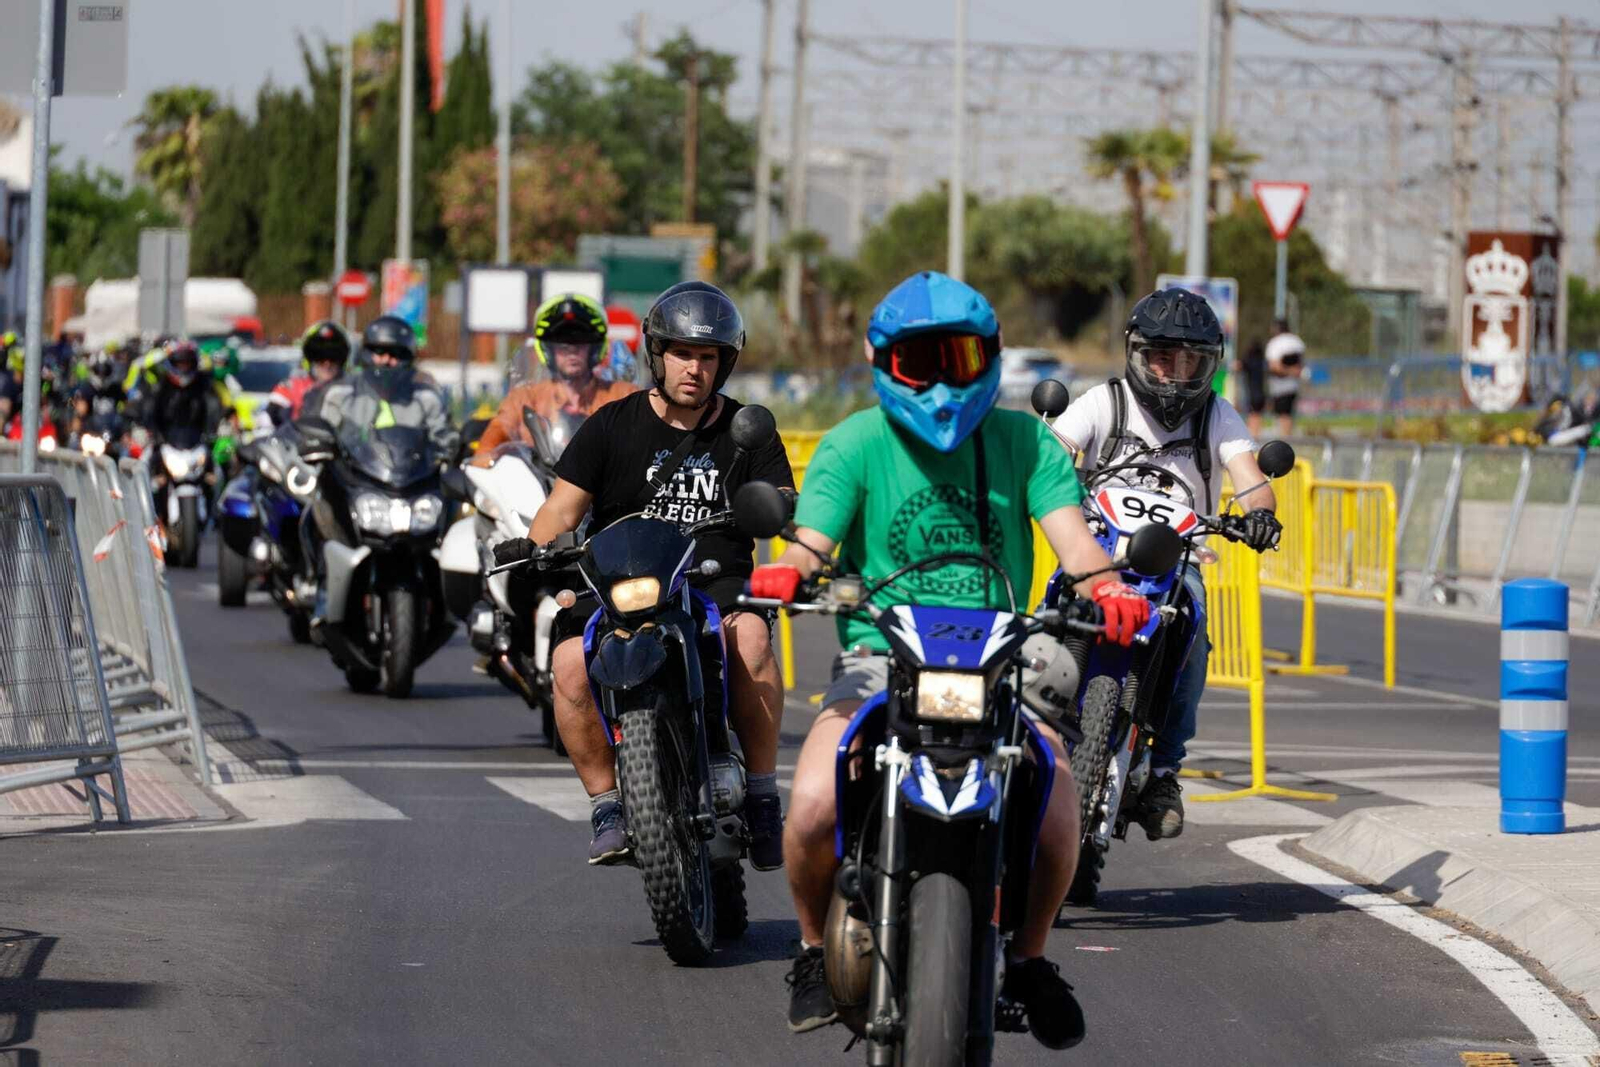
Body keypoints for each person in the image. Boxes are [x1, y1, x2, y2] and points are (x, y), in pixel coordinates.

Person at [749, 270, 1151, 1046]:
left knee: (1060, 807)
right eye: (918, 361)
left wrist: (1109, 587)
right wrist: (787, 569)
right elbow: (811, 539)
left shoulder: (1026, 441)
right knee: (808, 809)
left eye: (958, 359)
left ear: (991, 358)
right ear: (881, 361)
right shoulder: (854, 442)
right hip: (880, 660)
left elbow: (1074, 540)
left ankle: (1029, 956)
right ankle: (807, 949)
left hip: (1002, 660)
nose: (938, 381)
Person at [515, 281, 793, 870]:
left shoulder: (750, 431)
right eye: (683, 354)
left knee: (751, 639)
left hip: (713, 581)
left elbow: (785, 504)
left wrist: (780, 509)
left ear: (725, 363)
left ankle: (765, 796)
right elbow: (560, 511)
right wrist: (534, 550)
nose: (694, 368)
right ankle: (608, 804)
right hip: (624, 582)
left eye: (708, 356)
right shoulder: (612, 425)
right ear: (657, 355)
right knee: (566, 662)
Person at [1052, 287, 1283, 841]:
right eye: (1163, 357)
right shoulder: (1101, 402)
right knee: (1048, 613)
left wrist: (1259, 514)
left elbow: (1252, 480)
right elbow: (1055, 453)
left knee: (1196, 629)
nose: (1176, 373)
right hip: (1096, 553)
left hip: (1177, 564)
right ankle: (1024, 727)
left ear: (1211, 365)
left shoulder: (1217, 417)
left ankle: (1163, 773)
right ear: (1135, 353)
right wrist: (1051, 480)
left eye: (1192, 361)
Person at [471, 293, 637, 465]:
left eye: (580, 340)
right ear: (548, 349)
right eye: (562, 342)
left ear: (595, 346)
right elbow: (494, 436)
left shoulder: (623, 395)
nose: (572, 349)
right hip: (537, 488)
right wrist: (487, 460)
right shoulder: (525, 398)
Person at [140, 341, 225, 448]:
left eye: (187, 364)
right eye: (179, 364)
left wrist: (220, 428)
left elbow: (215, 408)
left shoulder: (204, 385)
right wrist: (147, 431)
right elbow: (147, 409)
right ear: (171, 363)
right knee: (142, 461)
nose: (183, 368)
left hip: (199, 444)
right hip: (163, 443)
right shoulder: (161, 385)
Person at [268, 320, 352, 425]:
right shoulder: (289, 388)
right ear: (308, 358)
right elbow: (267, 425)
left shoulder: (354, 390)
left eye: (334, 355)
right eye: (319, 356)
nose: (327, 363)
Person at [1264, 317, 1305, 436]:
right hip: (1293, 383)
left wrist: (1287, 371)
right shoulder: (1297, 341)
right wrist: (1293, 371)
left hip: (1280, 383)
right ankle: (1287, 435)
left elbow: (1274, 366)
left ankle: (1285, 437)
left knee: (1282, 413)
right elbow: (1300, 363)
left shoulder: (1275, 343)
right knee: (1288, 412)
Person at [1234, 337, 1267, 437]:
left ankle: (1253, 435)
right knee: (1257, 415)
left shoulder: (1250, 361)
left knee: (1252, 415)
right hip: (1261, 392)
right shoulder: (1262, 361)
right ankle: (1256, 434)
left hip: (1252, 393)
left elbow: (1238, 366)